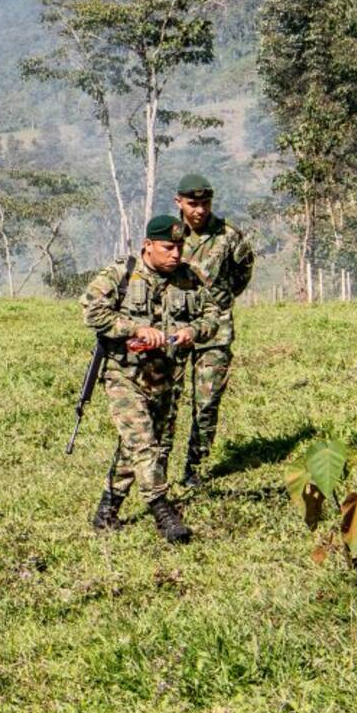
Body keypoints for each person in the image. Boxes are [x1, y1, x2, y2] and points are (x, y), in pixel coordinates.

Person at [81, 215, 223, 543]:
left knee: (141, 446)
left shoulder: (189, 277)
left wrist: (193, 331)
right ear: (148, 245)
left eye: (180, 247)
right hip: (125, 375)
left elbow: (213, 315)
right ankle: (163, 510)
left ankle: (107, 511)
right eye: (168, 247)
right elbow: (91, 311)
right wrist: (134, 329)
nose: (176, 254)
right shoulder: (121, 273)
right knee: (143, 443)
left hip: (166, 378)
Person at [174, 174, 254, 487]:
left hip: (215, 333)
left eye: (205, 203)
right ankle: (155, 466)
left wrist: (224, 295)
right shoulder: (168, 233)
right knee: (165, 404)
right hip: (174, 330)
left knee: (206, 402)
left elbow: (243, 270)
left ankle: (195, 467)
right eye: (193, 203)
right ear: (178, 201)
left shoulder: (229, 235)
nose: (199, 210)